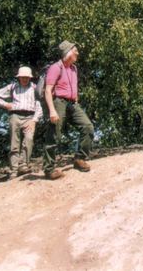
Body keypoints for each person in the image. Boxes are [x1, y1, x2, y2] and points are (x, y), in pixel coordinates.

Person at [42, 41, 95, 180]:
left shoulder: (74, 68)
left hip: (72, 104)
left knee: (87, 126)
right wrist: (52, 111)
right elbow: (48, 90)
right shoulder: (55, 67)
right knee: (55, 134)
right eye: (75, 50)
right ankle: (49, 169)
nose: (77, 53)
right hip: (58, 102)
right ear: (67, 52)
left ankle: (79, 159)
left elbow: (72, 85)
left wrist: (75, 98)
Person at [0, 66, 42, 177]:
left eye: (27, 77)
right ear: (19, 77)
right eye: (22, 77)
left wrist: (34, 120)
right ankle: (13, 170)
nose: (25, 79)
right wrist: (5, 104)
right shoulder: (12, 87)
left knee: (29, 139)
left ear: (30, 77)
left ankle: (23, 165)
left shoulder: (35, 88)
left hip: (29, 117)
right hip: (15, 116)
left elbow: (39, 106)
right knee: (14, 144)